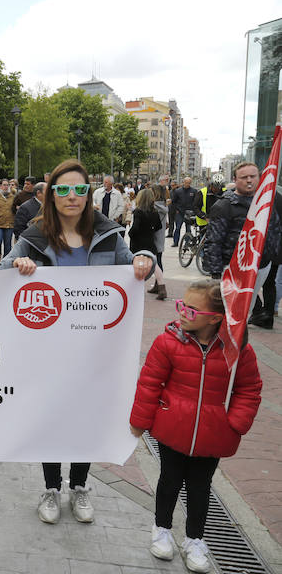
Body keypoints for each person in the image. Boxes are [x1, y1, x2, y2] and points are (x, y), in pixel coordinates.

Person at [0, 158, 154, 524]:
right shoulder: (33, 237)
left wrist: (145, 258)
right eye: (63, 189)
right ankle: (51, 488)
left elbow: (134, 265)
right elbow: (3, 269)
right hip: (47, 348)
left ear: (89, 195)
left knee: (85, 416)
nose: (72, 196)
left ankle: (80, 486)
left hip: (93, 350)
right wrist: (19, 267)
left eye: (79, 190)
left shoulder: (108, 234)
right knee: (50, 416)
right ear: (51, 195)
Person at [130, 280, 261, 572]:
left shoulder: (237, 351)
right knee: (170, 481)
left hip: (213, 435)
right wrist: (141, 421)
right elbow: (150, 382)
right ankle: (161, 529)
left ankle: (195, 539)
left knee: (200, 487)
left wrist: (235, 424)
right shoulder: (168, 341)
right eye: (181, 305)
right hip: (172, 428)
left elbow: (248, 388)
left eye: (190, 309)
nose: (182, 312)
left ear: (215, 318)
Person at [204, 162, 282, 323]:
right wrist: (216, 273)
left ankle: (238, 344)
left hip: (261, 266)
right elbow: (214, 241)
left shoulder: (266, 204)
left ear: (259, 178)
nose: (249, 181)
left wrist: (272, 258)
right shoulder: (224, 205)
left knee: (245, 313)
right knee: (228, 314)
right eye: (244, 177)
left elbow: (274, 231)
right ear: (235, 179)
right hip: (231, 268)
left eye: (252, 176)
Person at [129, 189, 167, 300]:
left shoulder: (138, 212)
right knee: (155, 265)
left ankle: (133, 289)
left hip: (138, 242)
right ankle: (162, 287)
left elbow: (135, 228)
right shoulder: (154, 212)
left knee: (134, 265)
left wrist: (130, 234)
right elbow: (159, 226)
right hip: (150, 241)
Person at [170, 177, 198, 247]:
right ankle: (175, 242)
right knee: (177, 228)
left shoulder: (194, 191)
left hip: (189, 213)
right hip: (179, 212)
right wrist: (176, 210)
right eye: (186, 182)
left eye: (189, 183)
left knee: (188, 229)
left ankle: (187, 243)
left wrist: (194, 211)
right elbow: (173, 201)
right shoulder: (178, 191)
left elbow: (196, 202)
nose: (187, 184)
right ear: (183, 182)